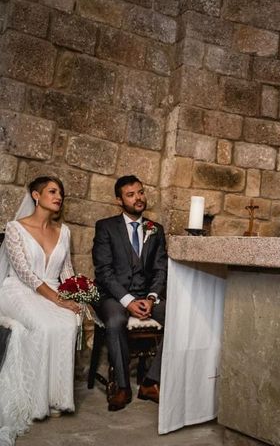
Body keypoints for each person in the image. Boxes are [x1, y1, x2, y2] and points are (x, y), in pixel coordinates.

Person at [0, 177, 80, 444]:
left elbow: (67, 270)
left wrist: (78, 296)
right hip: (19, 291)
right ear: (36, 195)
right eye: (52, 191)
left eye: (61, 193)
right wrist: (59, 300)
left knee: (69, 323)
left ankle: (57, 398)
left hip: (54, 292)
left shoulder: (64, 231)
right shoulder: (15, 228)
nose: (59, 197)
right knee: (45, 326)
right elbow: (25, 273)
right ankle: (35, 401)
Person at [92, 175, 167, 411]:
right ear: (119, 200)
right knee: (115, 321)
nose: (138, 198)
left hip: (147, 296)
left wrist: (152, 297)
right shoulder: (106, 227)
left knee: (180, 317)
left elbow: (160, 268)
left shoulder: (156, 229)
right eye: (131, 194)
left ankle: (150, 381)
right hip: (113, 296)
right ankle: (122, 387)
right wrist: (129, 301)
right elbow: (103, 272)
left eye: (141, 192)